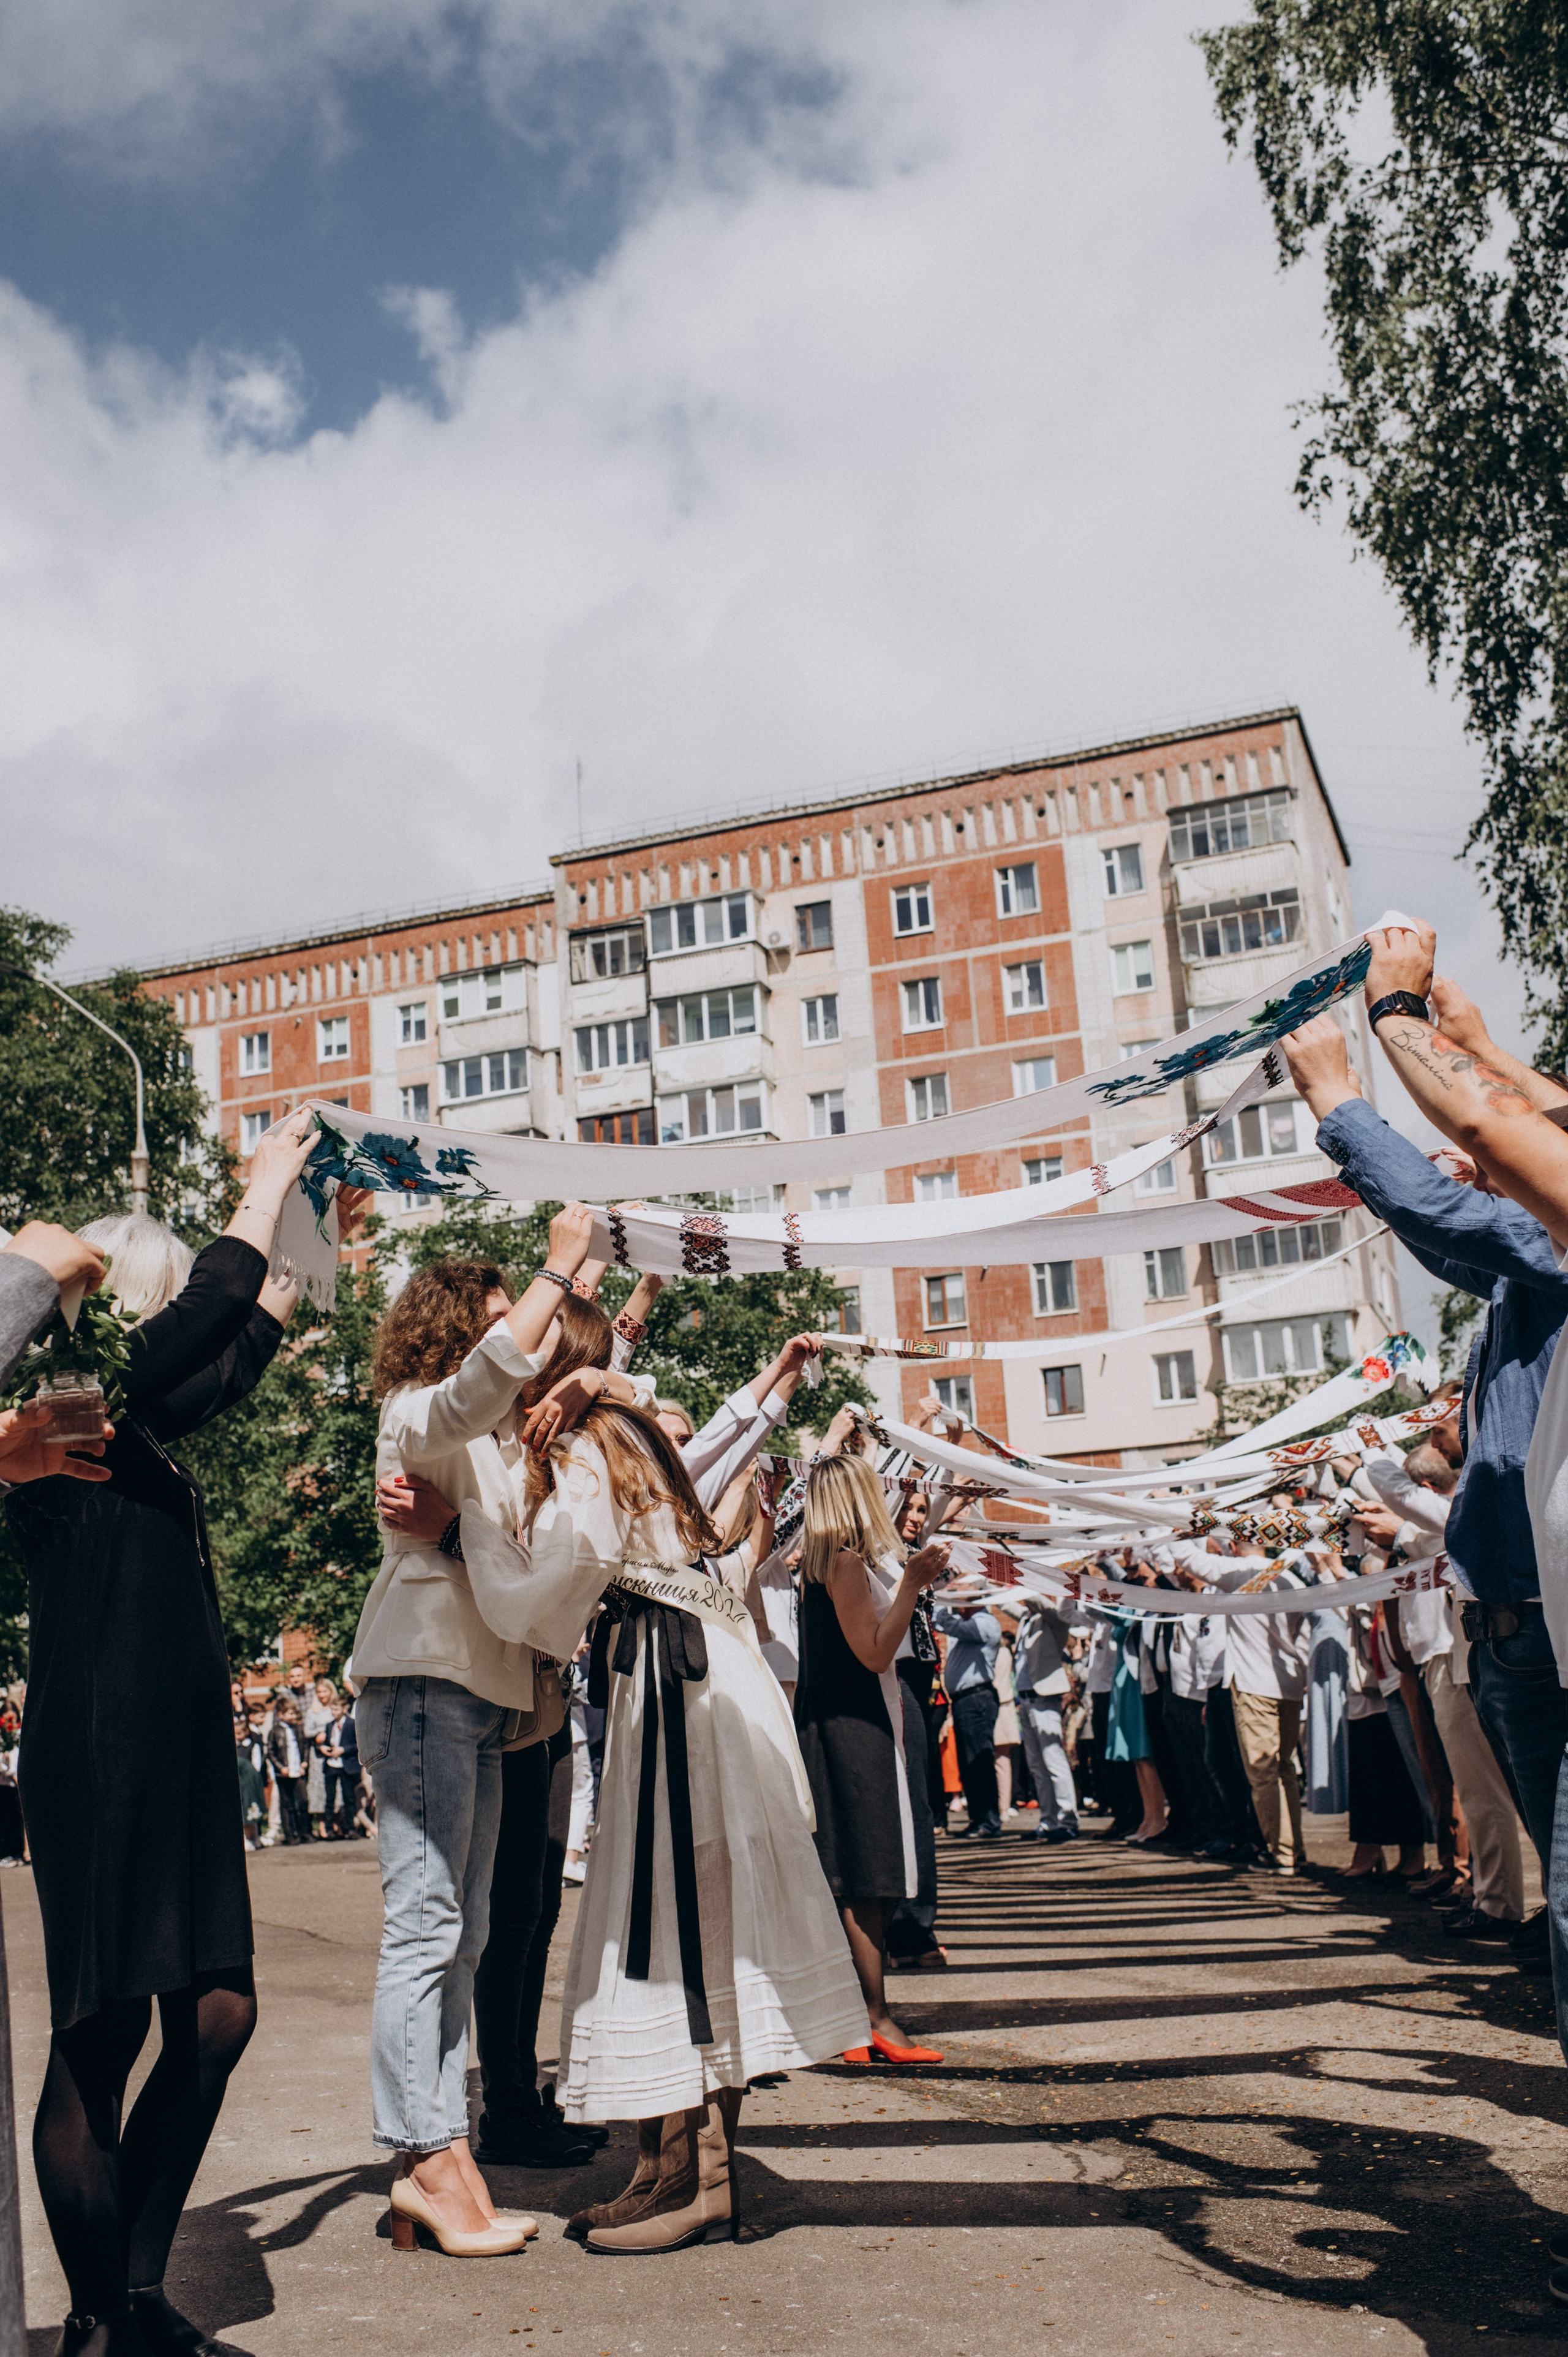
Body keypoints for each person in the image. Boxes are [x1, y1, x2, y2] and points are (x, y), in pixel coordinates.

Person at [6, 1109, 323, 2357]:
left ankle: (131, 2296)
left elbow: (227, 1352)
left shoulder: (140, 1429)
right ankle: (101, 2318)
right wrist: (263, 1187)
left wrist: (296, 1247)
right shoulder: (67, 1402)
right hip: (102, 1745)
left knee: (213, 2016)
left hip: (172, 1750)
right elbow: (205, 1325)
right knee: (102, 2031)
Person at [451, 1387, 873, 2256]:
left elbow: (547, 1590)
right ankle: (662, 2167)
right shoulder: (617, 1427)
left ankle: (707, 2182)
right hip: (675, 1680)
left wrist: (472, 1531)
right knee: (663, 1923)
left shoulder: (587, 1441)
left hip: (682, 1694)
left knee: (688, 1922)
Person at [353, 1216, 633, 2257]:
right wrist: (559, 1263)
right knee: (428, 1927)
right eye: (496, 1319)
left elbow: (587, 1378)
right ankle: (425, 2149)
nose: (523, 1336)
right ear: (453, 1335)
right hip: (424, 1680)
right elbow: (491, 1373)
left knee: (464, 1934)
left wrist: (593, 1280)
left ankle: (449, 2151)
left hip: (482, 1693)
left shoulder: (488, 1442)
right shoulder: (421, 1414)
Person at [1284, 992, 1568, 1975]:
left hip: (1540, 1619)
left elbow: (1458, 1208)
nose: (1485, 1161)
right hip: (1512, 1624)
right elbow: (1451, 1232)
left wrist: (1340, 1098)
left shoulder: (1550, 1245)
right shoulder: (1524, 1275)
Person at [792, 1454, 949, 2061]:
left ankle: (860, 2019)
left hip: (842, 1720)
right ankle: (874, 2017)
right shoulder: (845, 1561)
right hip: (855, 1726)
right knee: (867, 1872)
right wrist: (909, 1584)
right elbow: (876, 1652)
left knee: (862, 1871)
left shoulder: (821, 1560)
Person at [1003, 1594, 1082, 1842]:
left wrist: (1023, 1578)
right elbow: (1005, 1603)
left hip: (1045, 1697)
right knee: (1037, 1765)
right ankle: (1048, 1821)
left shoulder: (1055, 1619)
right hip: (1026, 1700)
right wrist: (983, 1582)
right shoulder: (1027, 1618)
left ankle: (1068, 1820)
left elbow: (1042, 1603)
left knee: (1053, 1760)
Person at [933, 1579, 1003, 1838]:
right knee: (968, 1762)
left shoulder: (986, 1623)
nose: (958, 1606)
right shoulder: (967, 1624)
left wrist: (940, 1604)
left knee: (979, 1760)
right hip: (966, 1700)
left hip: (978, 1698)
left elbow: (952, 1626)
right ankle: (978, 1818)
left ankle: (989, 1821)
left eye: (962, 1601)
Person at [268, 1699, 311, 1846]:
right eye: (290, 1713)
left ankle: (305, 1832)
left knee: (303, 1801)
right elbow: (271, 1752)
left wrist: (305, 1762)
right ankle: (290, 1834)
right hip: (284, 1773)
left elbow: (305, 1746)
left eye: (294, 1713)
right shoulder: (275, 1731)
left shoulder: (298, 1729)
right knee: (287, 1803)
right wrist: (281, 1768)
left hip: (298, 1771)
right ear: (281, 1714)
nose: (293, 1716)